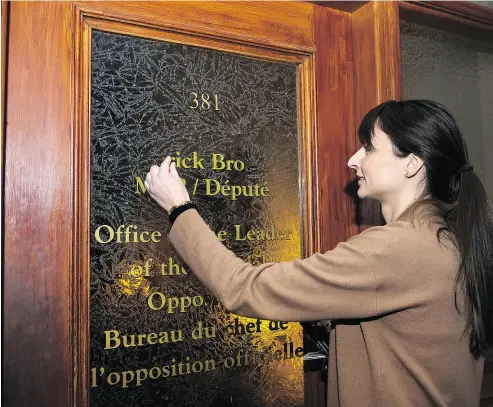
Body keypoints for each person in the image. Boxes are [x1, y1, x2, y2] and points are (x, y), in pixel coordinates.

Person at [144, 100, 493, 407]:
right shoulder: (448, 237)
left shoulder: (394, 249)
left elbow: (244, 288)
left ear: (411, 164)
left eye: (368, 148)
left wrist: (179, 208)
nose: (353, 159)